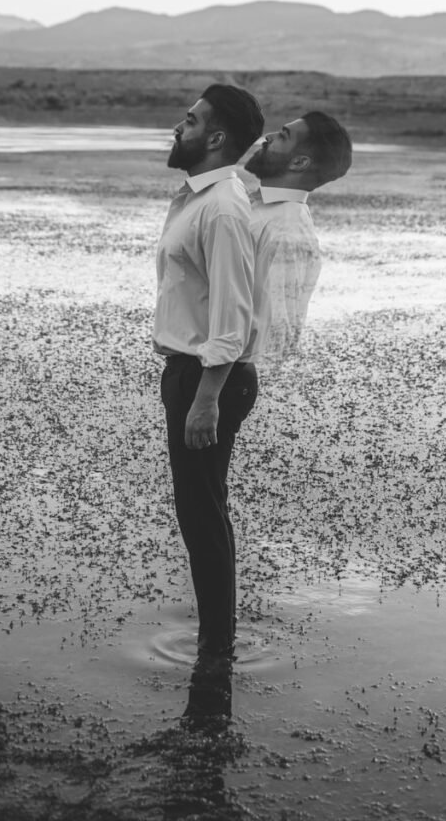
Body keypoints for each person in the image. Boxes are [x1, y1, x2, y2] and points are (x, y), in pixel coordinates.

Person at [153, 84, 264, 657]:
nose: (179, 126)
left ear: (216, 138)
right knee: (201, 508)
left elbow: (233, 310)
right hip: (193, 373)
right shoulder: (199, 198)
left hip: (206, 378)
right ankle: (215, 637)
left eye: (190, 120)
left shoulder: (221, 206)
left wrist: (206, 397)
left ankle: (216, 645)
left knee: (201, 513)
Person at [244, 111, 352, 365]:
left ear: (299, 162)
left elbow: (276, 330)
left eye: (283, 136)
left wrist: (212, 392)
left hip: (228, 378)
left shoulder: (286, 231)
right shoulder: (257, 207)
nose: (267, 138)